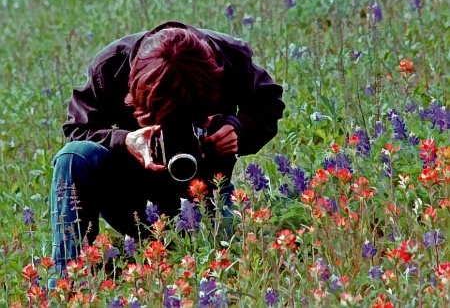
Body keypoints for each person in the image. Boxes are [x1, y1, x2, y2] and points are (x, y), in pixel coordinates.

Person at [50, 21, 285, 279]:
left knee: (236, 252)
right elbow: (77, 128)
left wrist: (239, 128)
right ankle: (64, 281)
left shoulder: (229, 58)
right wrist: (124, 140)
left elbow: (269, 104)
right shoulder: (112, 66)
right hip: (134, 200)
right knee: (74, 155)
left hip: (208, 197)